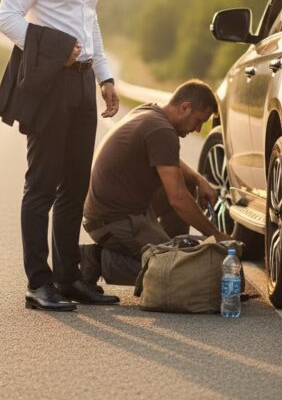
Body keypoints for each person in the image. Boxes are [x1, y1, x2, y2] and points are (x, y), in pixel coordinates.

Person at [0, 0, 129, 311]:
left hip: (83, 83)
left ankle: (68, 278)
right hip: (49, 85)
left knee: (75, 184)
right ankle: (39, 283)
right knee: (41, 186)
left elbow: (90, 20)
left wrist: (105, 75)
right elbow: (7, 17)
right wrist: (54, 50)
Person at [82, 79, 227, 286]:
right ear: (185, 107)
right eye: (198, 121)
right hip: (113, 222)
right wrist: (216, 235)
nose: (198, 129)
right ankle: (96, 260)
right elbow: (177, 199)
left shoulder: (151, 113)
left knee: (185, 182)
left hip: (125, 211)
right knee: (179, 276)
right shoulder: (162, 131)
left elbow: (166, 159)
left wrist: (198, 179)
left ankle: (170, 249)